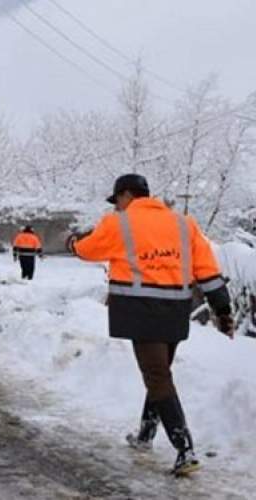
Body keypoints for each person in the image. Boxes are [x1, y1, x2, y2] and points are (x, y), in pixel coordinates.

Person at [67, 173, 234, 477]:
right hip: (175, 311)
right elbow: (207, 271)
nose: (117, 206)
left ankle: (186, 451)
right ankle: (146, 435)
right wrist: (224, 310)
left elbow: (89, 250)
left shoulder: (118, 223)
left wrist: (73, 244)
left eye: (117, 200)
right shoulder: (185, 224)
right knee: (160, 373)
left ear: (126, 195)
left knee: (157, 376)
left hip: (139, 310)